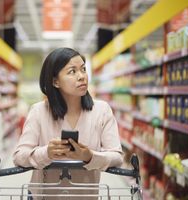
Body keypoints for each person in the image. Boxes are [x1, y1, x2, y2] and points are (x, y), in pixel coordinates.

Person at [13, 47, 123, 199]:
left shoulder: (102, 111)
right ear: (55, 81)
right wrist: (47, 153)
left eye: (83, 69)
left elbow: (117, 157)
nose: (82, 76)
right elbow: (19, 156)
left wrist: (90, 156)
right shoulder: (39, 111)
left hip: (85, 196)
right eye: (72, 71)